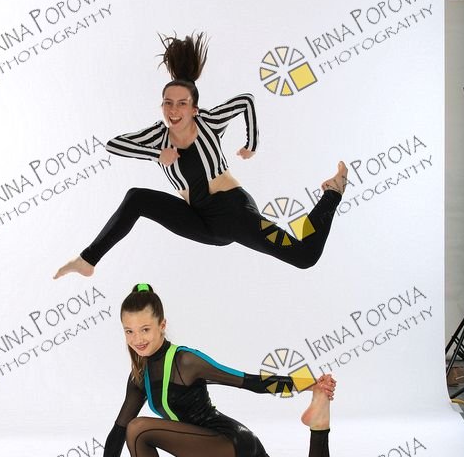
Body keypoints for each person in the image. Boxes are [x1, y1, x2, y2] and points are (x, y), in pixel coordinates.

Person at [54, 32, 347, 280]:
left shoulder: (208, 123)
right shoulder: (158, 137)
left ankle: (332, 193)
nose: (174, 110)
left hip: (233, 213)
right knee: (136, 198)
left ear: (194, 109)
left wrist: (251, 144)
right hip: (200, 221)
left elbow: (246, 101)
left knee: (303, 255)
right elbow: (113, 145)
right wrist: (157, 153)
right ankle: (88, 260)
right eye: (168, 103)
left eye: (182, 103)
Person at [71, 284, 335, 457]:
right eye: (129, 331)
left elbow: (248, 381)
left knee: (139, 429)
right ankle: (320, 421)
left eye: (145, 329)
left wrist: (309, 384)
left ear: (162, 325)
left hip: (229, 441)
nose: (137, 339)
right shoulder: (140, 376)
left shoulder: (186, 361)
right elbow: (118, 432)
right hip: (219, 451)